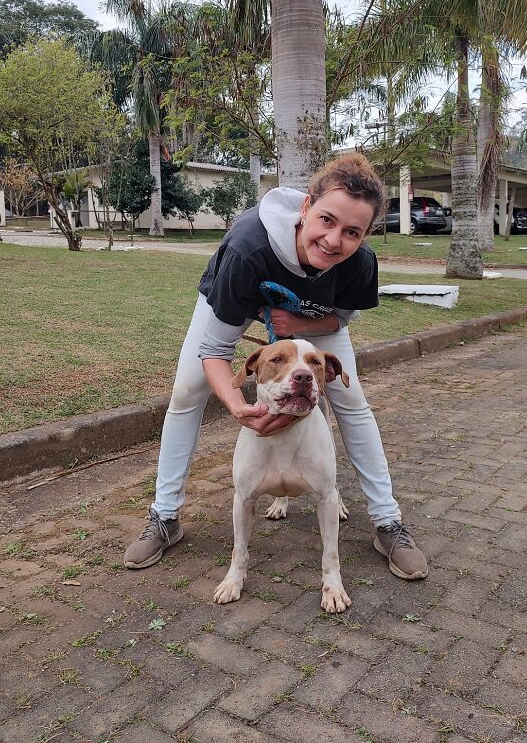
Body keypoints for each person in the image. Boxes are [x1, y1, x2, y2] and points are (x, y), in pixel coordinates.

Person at [124, 154, 428, 580]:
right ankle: (165, 516)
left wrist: (301, 325)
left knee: (351, 398)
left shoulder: (360, 263)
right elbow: (215, 348)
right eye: (326, 220)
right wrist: (235, 404)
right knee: (188, 391)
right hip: (236, 303)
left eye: (352, 232)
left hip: (307, 318)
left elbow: (339, 319)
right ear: (306, 208)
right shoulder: (249, 247)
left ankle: (388, 523)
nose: (333, 240)